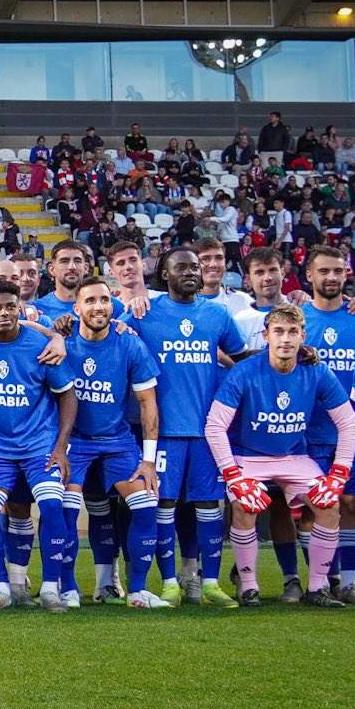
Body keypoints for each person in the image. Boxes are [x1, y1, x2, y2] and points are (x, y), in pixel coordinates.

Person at [205, 306, 355, 609]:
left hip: (293, 457)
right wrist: (232, 474)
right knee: (244, 505)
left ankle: (317, 588)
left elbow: (349, 423)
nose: (285, 339)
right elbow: (215, 426)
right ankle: (248, 586)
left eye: (292, 332)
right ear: (266, 336)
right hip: (248, 456)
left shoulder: (317, 370)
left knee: (328, 503)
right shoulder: (245, 371)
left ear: (302, 335)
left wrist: (340, 472)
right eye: (278, 331)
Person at [125, 247, 245, 607]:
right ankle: (170, 583)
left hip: (208, 431)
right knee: (164, 504)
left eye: (196, 266)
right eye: (183, 267)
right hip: (164, 432)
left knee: (209, 505)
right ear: (165, 274)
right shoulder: (144, 313)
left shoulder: (218, 315)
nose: (193, 272)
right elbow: (109, 333)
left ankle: (208, 582)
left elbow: (242, 363)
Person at [0, 280, 79, 612]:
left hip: (40, 446)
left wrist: (61, 446)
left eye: (11, 306)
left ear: (20, 308)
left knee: (52, 508)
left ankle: (51, 589)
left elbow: (67, 394)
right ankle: (2, 591)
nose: (4, 313)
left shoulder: (41, 344)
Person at [63, 278, 166, 608]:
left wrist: (148, 460)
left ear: (113, 305)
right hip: (73, 443)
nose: (98, 306)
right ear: (76, 308)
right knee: (62, 510)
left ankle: (137, 590)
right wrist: (51, 331)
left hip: (117, 440)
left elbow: (148, 402)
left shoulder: (129, 344)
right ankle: (67, 588)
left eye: (105, 300)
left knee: (147, 504)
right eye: (90, 300)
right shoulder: (61, 342)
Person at [300, 243, 355, 604]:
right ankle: (323, 581)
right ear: (309, 275)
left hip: (354, 432)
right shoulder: (298, 318)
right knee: (311, 506)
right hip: (307, 431)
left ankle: (348, 583)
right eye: (324, 271)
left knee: (351, 503)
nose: (331, 277)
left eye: (338, 271)